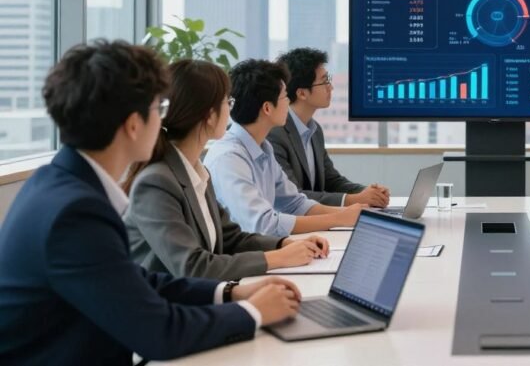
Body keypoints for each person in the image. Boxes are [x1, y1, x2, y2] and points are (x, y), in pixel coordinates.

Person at [0, 41, 301, 365]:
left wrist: (230, 293)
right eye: (159, 109)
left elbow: (135, 281)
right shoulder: (75, 213)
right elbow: (161, 333)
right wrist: (253, 312)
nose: (164, 119)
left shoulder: (58, 185)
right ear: (133, 125)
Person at [122, 59, 332, 281]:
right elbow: (194, 267)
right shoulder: (157, 182)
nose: (231, 109)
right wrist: (278, 258)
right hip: (171, 309)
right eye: (227, 101)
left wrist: (283, 243)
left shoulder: (196, 171)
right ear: (209, 116)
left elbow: (230, 238)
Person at [206, 59, 364, 237]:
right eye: (285, 97)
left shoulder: (263, 147)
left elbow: (294, 203)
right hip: (244, 257)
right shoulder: (228, 158)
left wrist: (349, 214)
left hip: (265, 248)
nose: (289, 102)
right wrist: (338, 219)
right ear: (267, 108)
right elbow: (264, 225)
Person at [269, 47, 389, 207]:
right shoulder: (275, 134)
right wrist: (355, 199)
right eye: (325, 81)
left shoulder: (314, 130)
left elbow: (331, 180)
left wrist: (369, 193)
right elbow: (292, 196)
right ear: (302, 93)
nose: (330, 87)